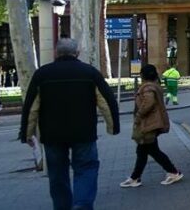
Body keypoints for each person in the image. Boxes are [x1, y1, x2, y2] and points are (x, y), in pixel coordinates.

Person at [18, 38, 120, 210]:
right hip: (84, 132)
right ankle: (82, 204)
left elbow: (31, 107)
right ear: (77, 52)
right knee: (86, 168)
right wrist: (113, 127)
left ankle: (62, 206)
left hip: (52, 135)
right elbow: (107, 102)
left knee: (57, 174)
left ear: (56, 53)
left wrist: (27, 133)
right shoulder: (89, 73)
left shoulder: (42, 75)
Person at [120, 64, 183, 187]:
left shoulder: (148, 87)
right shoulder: (153, 86)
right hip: (150, 124)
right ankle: (135, 177)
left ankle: (173, 172)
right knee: (143, 151)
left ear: (142, 75)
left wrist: (139, 115)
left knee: (152, 151)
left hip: (148, 124)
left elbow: (148, 103)